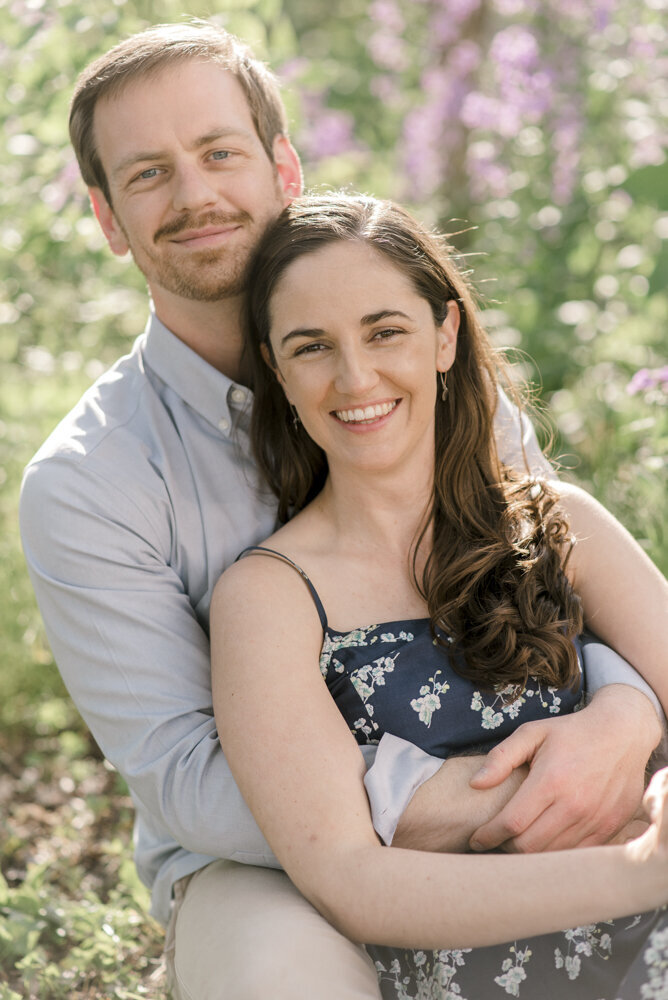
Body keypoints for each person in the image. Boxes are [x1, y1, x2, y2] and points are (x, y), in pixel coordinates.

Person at [17, 19, 665, 1000]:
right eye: (148, 174)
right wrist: (509, 800)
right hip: (268, 866)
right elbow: (191, 780)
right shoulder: (90, 483)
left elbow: (548, 567)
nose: (196, 195)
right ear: (107, 219)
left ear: (282, 165)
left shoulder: (420, 372)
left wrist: (618, 721)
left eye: (218, 152)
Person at [210, 191, 668, 999]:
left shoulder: (560, 523)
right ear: (276, 371)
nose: (356, 377)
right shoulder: (268, 598)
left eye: (386, 331)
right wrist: (638, 871)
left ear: (445, 336)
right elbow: (349, 880)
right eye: (311, 347)